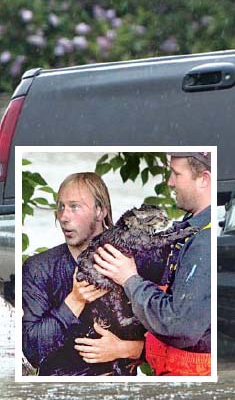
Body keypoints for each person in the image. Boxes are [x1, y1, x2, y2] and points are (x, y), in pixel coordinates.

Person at [94, 152, 212, 376]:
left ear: (204, 179)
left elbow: (181, 325)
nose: (170, 182)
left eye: (176, 174)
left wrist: (129, 279)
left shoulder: (204, 243)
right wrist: (133, 349)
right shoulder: (189, 232)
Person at [22, 172, 144, 375]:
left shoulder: (131, 262)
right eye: (60, 206)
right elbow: (32, 351)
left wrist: (128, 349)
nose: (63, 217)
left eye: (74, 207)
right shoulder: (39, 268)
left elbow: (174, 332)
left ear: (100, 211)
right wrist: (75, 301)